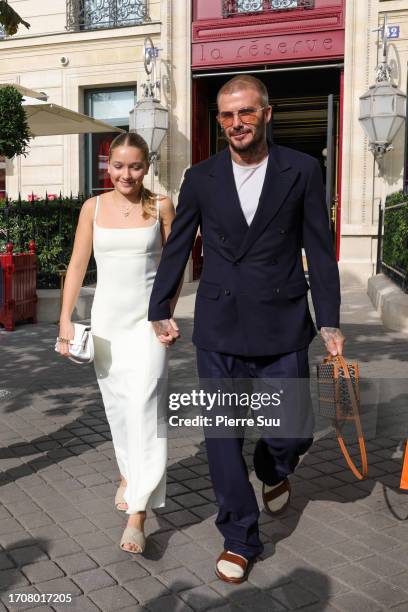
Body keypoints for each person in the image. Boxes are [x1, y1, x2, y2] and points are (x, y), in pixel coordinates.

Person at [148, 75, 344, 583]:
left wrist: (331, 321)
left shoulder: (302, 170)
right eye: (226, 115)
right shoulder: (201, 177)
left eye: (245, 112)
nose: (236, 123)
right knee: (220, 435)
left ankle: (275, 467)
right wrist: (160, 306)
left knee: (292, 430)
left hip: (282, 322)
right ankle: (239, 536)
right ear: (219, 121)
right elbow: (179, 246)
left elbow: (320, 251)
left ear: (267, 113)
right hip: (219, 325)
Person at [57, 132, 178, 554]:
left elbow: (175, 268)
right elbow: (76, 265)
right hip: (106, 322)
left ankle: (138, 513)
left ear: (147, 166)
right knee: (118, 407)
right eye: (119, 166)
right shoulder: (92, 208)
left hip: (147, 324)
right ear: (108, 167)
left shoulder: (161, 206)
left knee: (146, 405)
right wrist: (64, 322)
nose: (126, 174)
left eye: (135, 166)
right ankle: (128, 472)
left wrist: (165, 314)